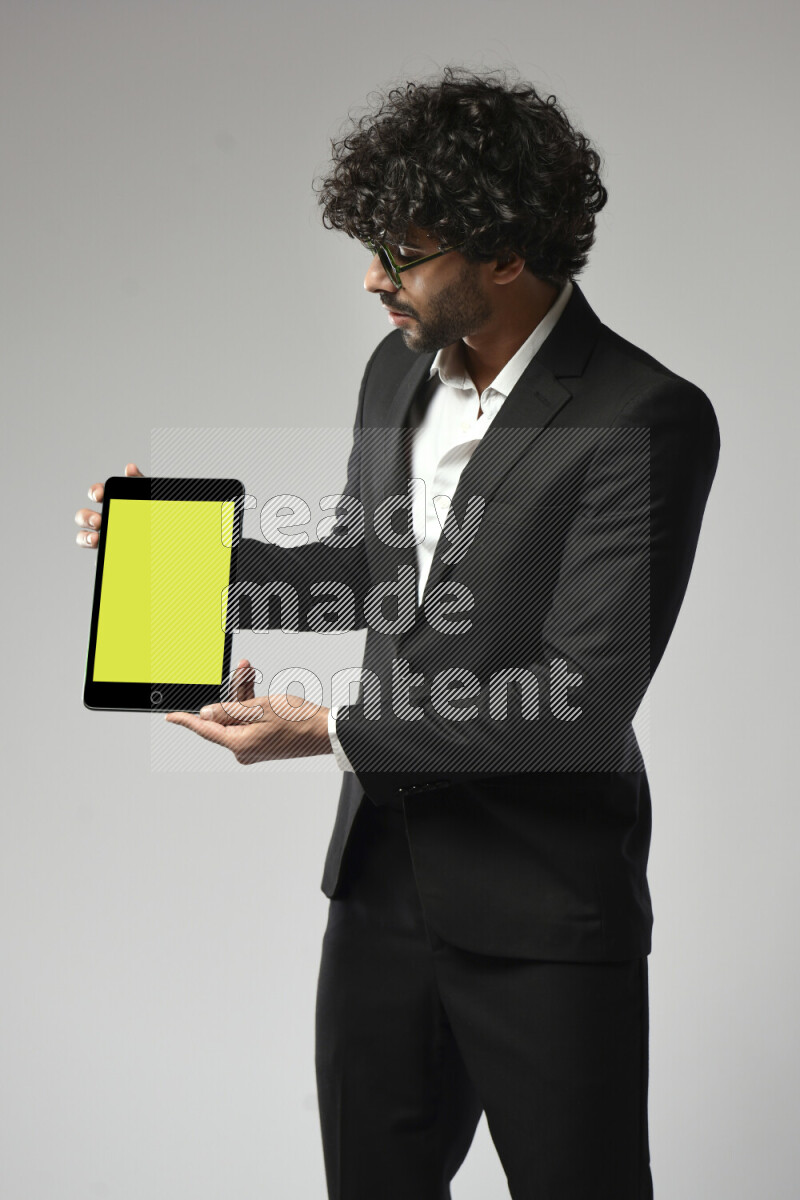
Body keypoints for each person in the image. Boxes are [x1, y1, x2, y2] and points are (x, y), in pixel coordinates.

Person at [75, 68, 720, 1200]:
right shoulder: (396, 367)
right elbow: (363, 578)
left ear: (506, 256)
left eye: (404, 254)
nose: (372, 280)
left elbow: (578, 698)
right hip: (379, 890)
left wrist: (329, 728)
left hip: (541, 908)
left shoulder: (643, 415)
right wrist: (180, 564)